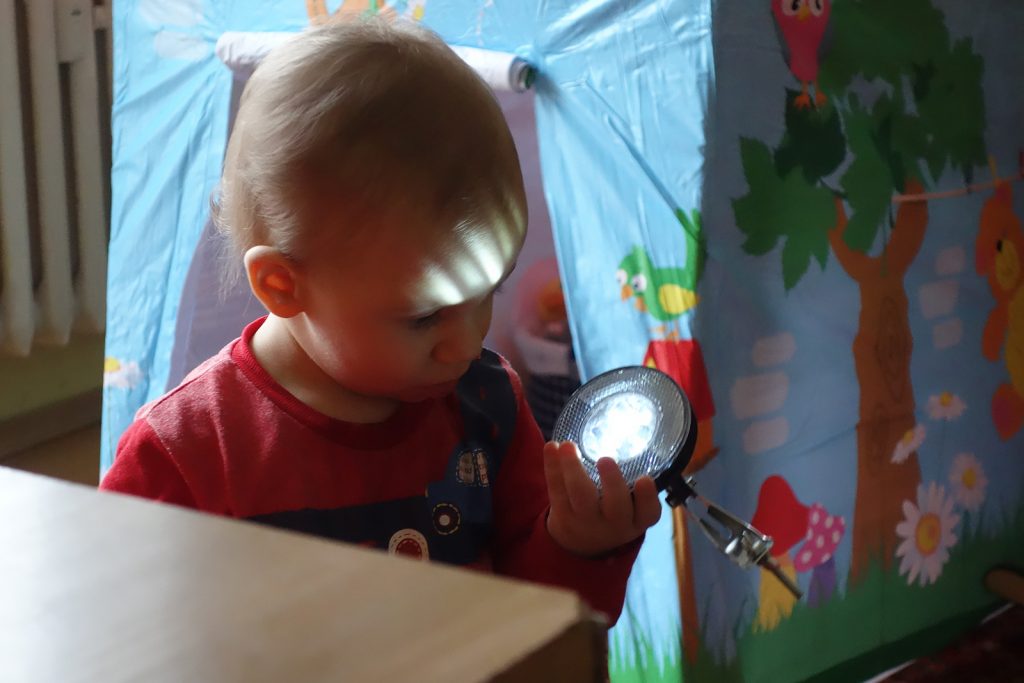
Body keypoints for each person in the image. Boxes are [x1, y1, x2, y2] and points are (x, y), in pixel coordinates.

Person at [100, 18, 662, 625]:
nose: (467, 342)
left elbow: (539, 615)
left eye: (488, 292)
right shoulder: (186, 452)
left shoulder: (488, 404)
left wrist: (578, 545)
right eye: (425, 317)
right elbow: (112, 629)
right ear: (283, 286)